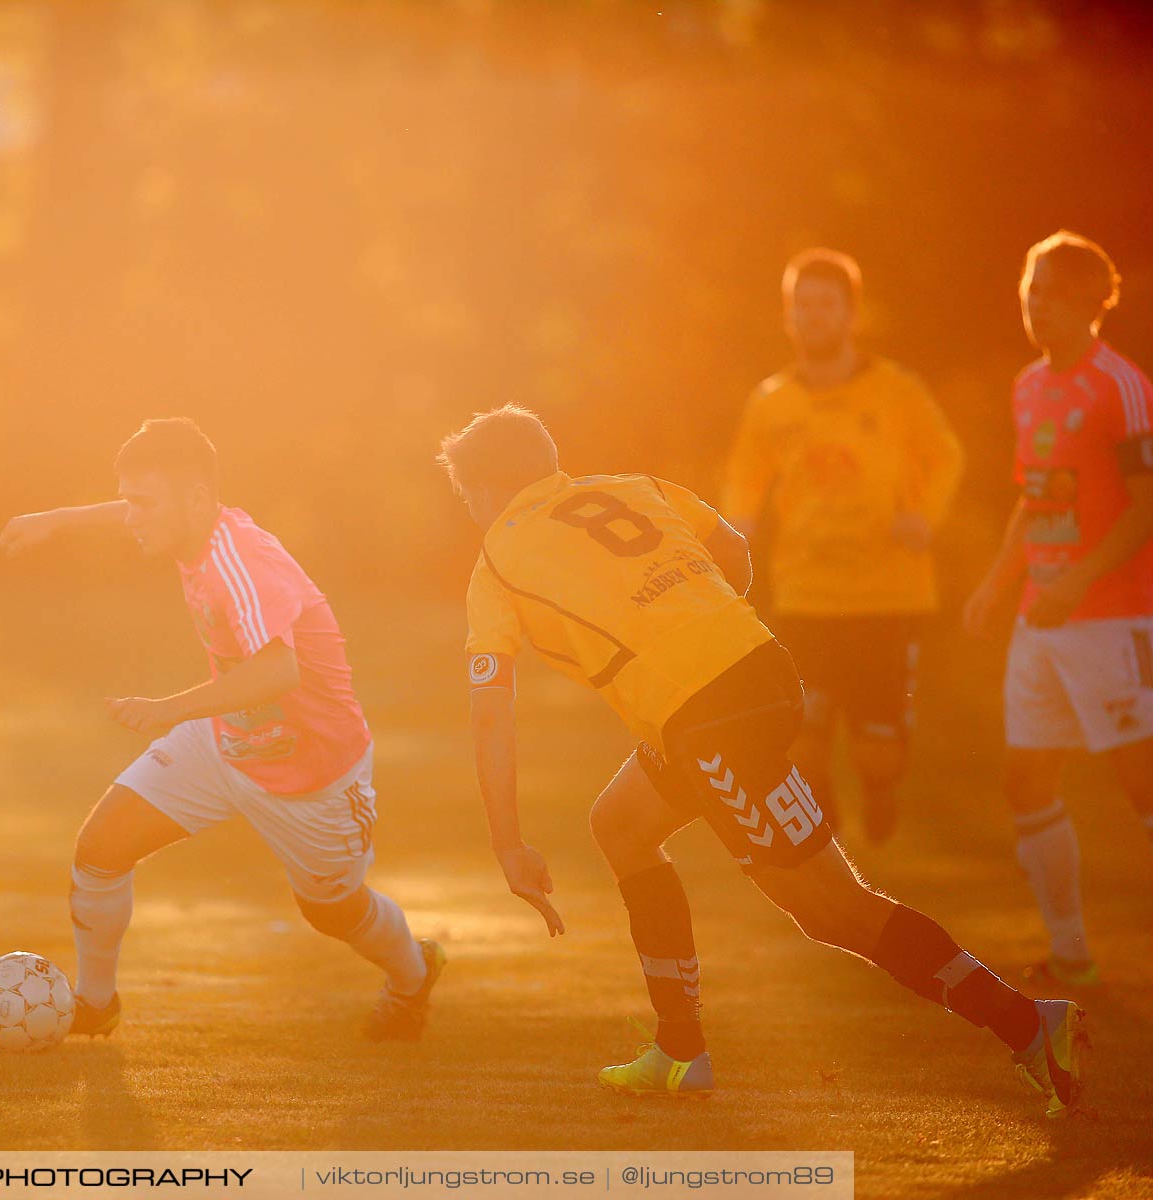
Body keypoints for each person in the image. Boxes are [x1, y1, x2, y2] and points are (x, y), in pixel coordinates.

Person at [441, 403, 1082, 1116]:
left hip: (712, 716)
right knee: (621, 823)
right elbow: (734, 550)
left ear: (491, 489)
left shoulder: (497, 556)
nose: (472, 512)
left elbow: (490, 709)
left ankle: (1030, 1026)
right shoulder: (632, 486)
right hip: (758, 674)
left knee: (832, 910)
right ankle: (680, 1051)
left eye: (468, 496)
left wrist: (506, 842)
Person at [0, 417, 444, 1040]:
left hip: (313, 775)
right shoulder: (193, 529)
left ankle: (413, 973)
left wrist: (166, 710)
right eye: (128, 500)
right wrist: (60, 519)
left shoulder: (241, 561)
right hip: (226, 740)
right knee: (101, 848)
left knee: (333, 911)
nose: (132, 518)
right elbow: (137, 507)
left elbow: (279, 671)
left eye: (143, 503)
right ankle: (96, 1003)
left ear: (196, 500)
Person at [723, 248, 965, 842]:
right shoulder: (771, 401)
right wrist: (736, 533)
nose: (813, 316)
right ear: (788, 316)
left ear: (851, 314)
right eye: (802, 306)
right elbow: (743, 481)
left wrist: (924, 518)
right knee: (801, 737)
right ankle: (822, 831)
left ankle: (880, 789)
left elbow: (946, 458)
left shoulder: (895, 392)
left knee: (876, 751)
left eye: (826, 305)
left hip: (886, 595)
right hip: (805, 592)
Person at [964, 231, 1153, 989]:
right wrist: (997, 581)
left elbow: (1145, 508)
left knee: (1140, 783)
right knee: (1025, 780)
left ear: (1084, 301)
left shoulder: (1121, 384)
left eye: (1047, 292)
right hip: (1039, 624)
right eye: (1028, 289)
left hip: (1109, 619)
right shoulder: (1028, 386)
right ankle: (1071, 948)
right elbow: (1032, 497)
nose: (1032, 303)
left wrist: (1079, 581)